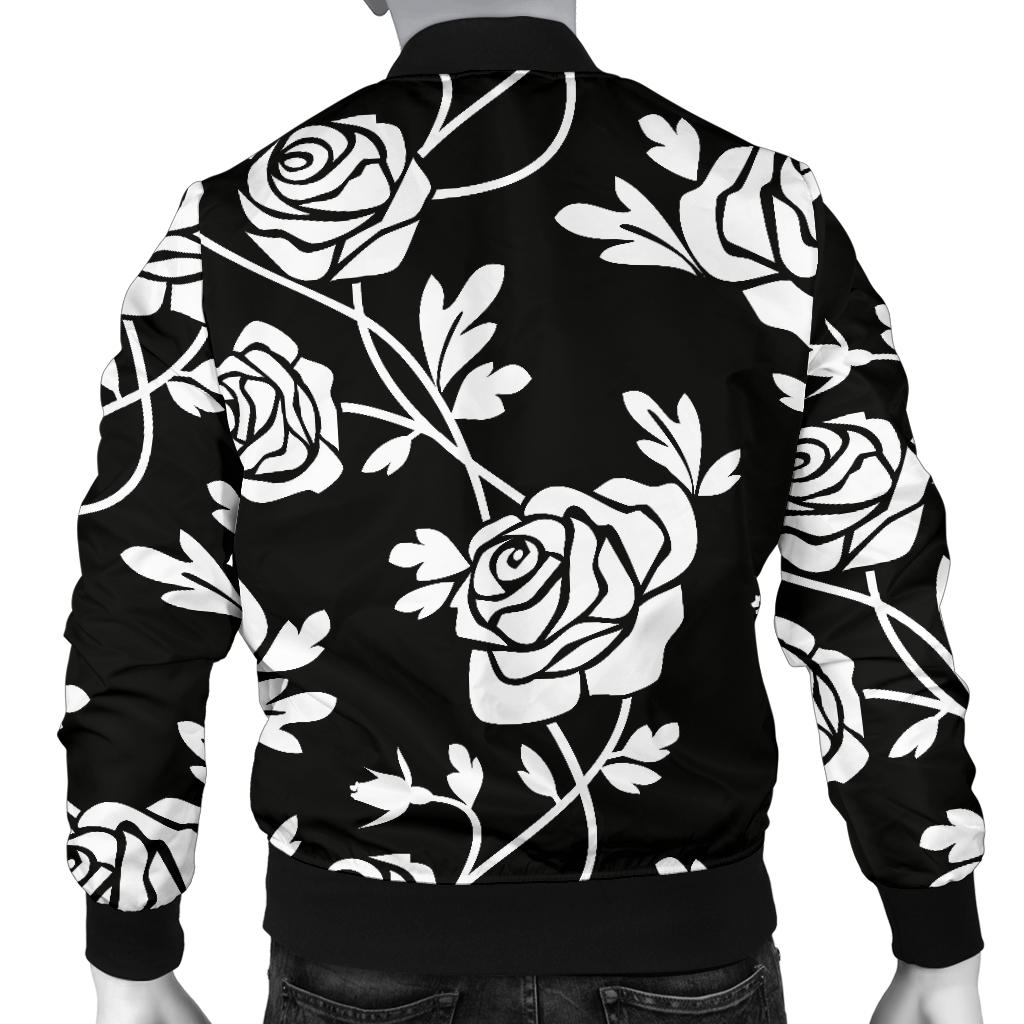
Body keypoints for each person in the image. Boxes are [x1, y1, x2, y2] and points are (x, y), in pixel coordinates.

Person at [61, 2, 986, 1022]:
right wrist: (936, 931)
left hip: (363, 951)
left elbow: (143, 602)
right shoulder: (762, 209)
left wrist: (129, 948)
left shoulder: (229, 233)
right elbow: (870, 580)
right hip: (686, 947)